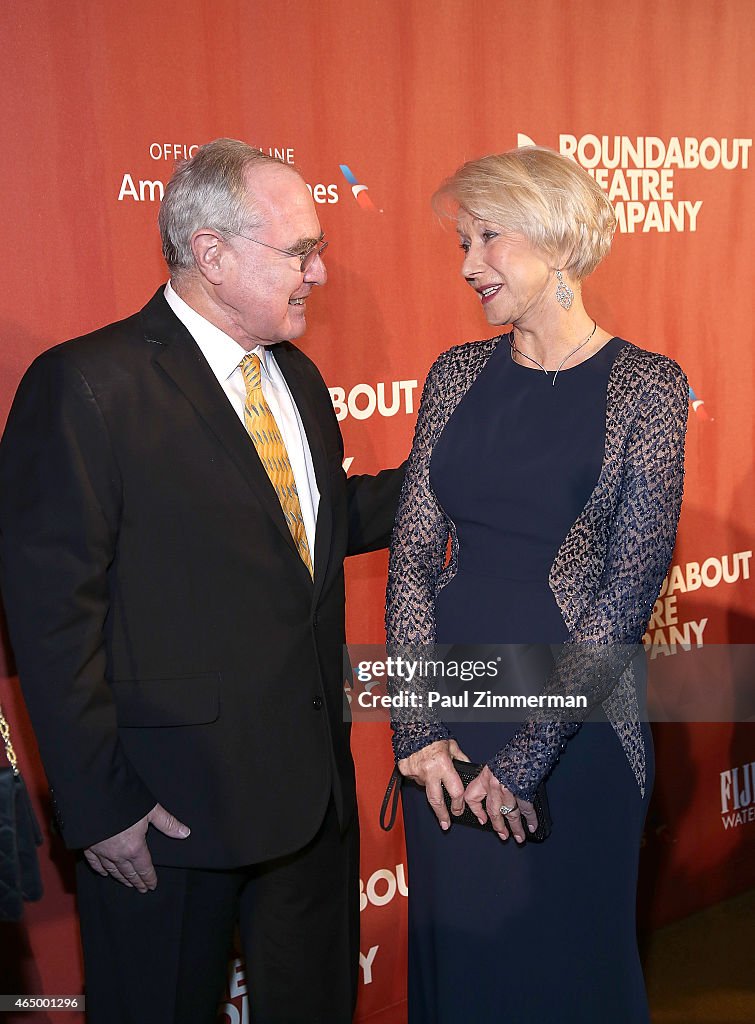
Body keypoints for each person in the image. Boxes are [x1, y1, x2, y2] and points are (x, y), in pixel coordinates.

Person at [0, 138, 404, 1024]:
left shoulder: (293, 375)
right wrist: (102, 805)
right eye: (299, 251)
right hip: (164, 818)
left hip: (307, 804)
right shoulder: (87, 385)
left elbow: (311, 530)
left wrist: (461, 471)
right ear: (211, 253)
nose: (320, 273)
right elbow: (50, 617)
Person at [385, 146, 687, 1022]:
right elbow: (411, 557)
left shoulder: (645, 387)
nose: (468, 265)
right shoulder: (454, 374)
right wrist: (416, 729)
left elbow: (626, 594)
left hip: (576, 733)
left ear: (557, 244)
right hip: (448, 723)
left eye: (489, 238)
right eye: (462, 242)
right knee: (466, 975)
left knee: (563, 972)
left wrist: (523, 759)